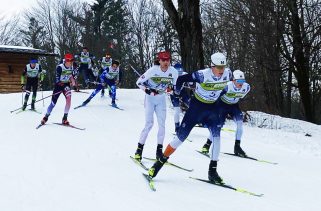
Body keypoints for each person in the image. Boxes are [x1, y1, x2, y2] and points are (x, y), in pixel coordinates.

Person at [148, 52, 231, 184]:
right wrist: (177, 91)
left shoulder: (228, 73)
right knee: (179, 139)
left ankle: (213, 172)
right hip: (196, 108)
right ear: (211, 66)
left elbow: (227, 86)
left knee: (216, 137)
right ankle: (157, 165)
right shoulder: (202, 74)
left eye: (223, 67)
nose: (221, 71)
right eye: (218, 68)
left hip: (212, 109)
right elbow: (181, 79)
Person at [134, 51, 178, 162]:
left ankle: (159, 151)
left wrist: (170, 90)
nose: (166, 63)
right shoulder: (153, 70)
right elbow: (139, 82)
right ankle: (139, 149)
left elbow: (174, 88)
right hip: (150, 99)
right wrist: (148, 91)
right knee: (149, 124)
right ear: (159, 61)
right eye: (163, 60)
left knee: (162, 125)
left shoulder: (173, 72)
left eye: (167, 60)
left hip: (161, 100)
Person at [201, 69, 251, 157]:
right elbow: (216, 96)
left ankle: (237, 147)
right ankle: (207, 144)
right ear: (233, 80)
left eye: (242, 81)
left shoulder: (246, 87)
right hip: (222, 106)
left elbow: (241, 96)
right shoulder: (227, 87)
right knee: (218, 127)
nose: (241, 83)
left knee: (240, 124)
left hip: (234, 106)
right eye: (238, 81)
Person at [40, 53, 76, 125]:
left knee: (69, 99)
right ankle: (46, 117)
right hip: (58, 86)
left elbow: (71, 75)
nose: (71, 63)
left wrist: (73, 81)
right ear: (66, 61)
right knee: (53, 104)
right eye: (70, 61)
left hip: (66, 85)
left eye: (72, 61)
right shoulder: (60, 67)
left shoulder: (71, 67)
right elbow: (57, 80)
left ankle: (64, 118)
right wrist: (62, 85)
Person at [170, 63, 191, 132]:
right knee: (177, 110)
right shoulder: (170, 74)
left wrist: (189, 83)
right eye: (177, 72)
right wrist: (170, 90)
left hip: (182, 92)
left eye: (180, 72)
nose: (179, 74)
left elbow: (191, 82)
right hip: (174, 93)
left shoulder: (185, 74)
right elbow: (166, 86)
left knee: (191, 106)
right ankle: (177, 126)